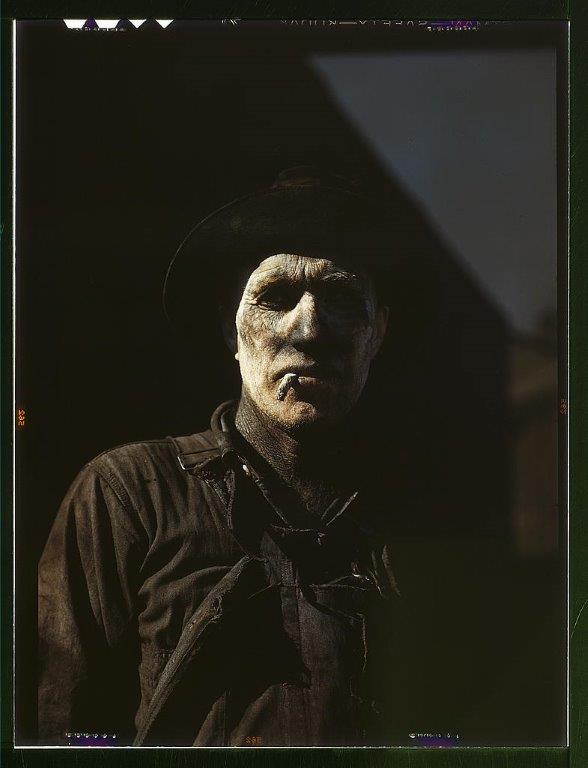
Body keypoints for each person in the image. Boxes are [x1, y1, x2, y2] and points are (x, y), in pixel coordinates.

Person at [38, 168, 430, 747]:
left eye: (343, 298)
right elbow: (65, 728)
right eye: (276, 298)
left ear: (378, 333)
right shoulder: (128, 492)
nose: (311, 328)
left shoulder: (420, 512)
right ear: (232, 328)